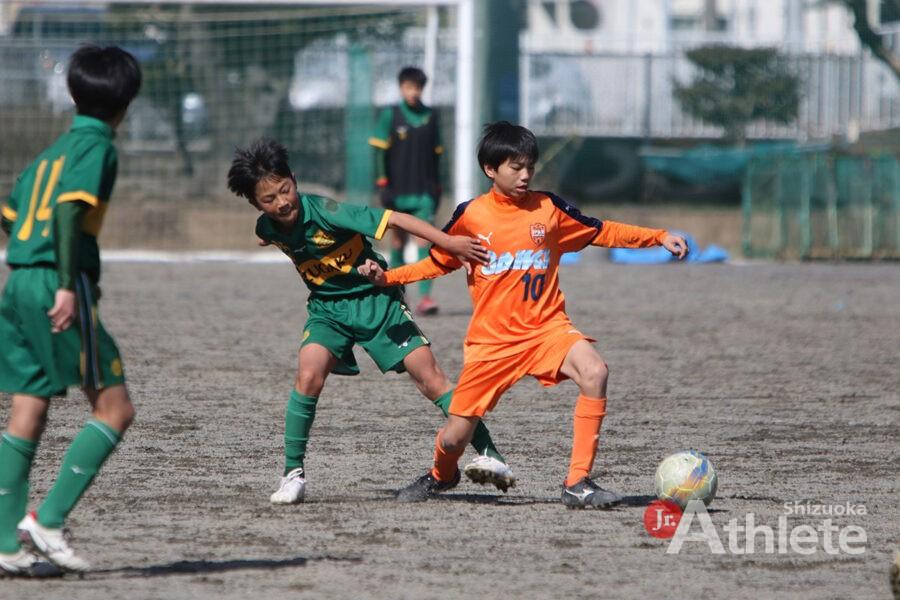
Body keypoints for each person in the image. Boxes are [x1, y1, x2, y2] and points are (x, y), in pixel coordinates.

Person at [358, 121, 689, 507]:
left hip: (547, 330)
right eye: (515, 167)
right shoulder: (472, 217)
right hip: (492, 344)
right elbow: (437, 262)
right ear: (490, 169)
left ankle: (577, 482)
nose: (525, 175)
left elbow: (600, 230)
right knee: (454, 438)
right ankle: (440, 475)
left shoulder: (548, 209)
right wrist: (389, 278)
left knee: (595, 371)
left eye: (529, 166)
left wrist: (658, 236)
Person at [226, 138, 515, 506]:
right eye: (269, 200)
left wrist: (449, 242)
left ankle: (491, 455)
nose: (282, 202)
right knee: (308, 375)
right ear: (256, 204)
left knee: (431, 380)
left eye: (286, 190)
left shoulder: (329, 212)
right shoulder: (268, 226)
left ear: (294, 179)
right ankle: (292, 475)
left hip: (378, 303)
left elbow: (395, 218)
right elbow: (264, 233)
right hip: (328, 311)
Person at [0, 45, 142, 575]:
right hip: (55, 285)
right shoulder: (97, 147)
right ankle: (48, 521)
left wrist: (32, 264)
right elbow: (66, 213)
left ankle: (6, 546)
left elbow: (10, 215)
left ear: (74, 93)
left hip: (17, 283)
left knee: (28, 407)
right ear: (126, 101)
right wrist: (63, 284)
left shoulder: (48, 153)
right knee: (114, 408)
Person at [368, 66, 443, 316]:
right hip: (397, 192)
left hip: (423, 192)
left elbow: (437, 156)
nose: (414, 92)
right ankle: (399, 294)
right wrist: (382, 183)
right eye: (409, 87)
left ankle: (425, 298)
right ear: (401, 88)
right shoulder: (390, 115)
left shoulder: (431, 116)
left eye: (418, 87)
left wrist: (437, 186)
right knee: (398, 242)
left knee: (425, 241)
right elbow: (379, 152)